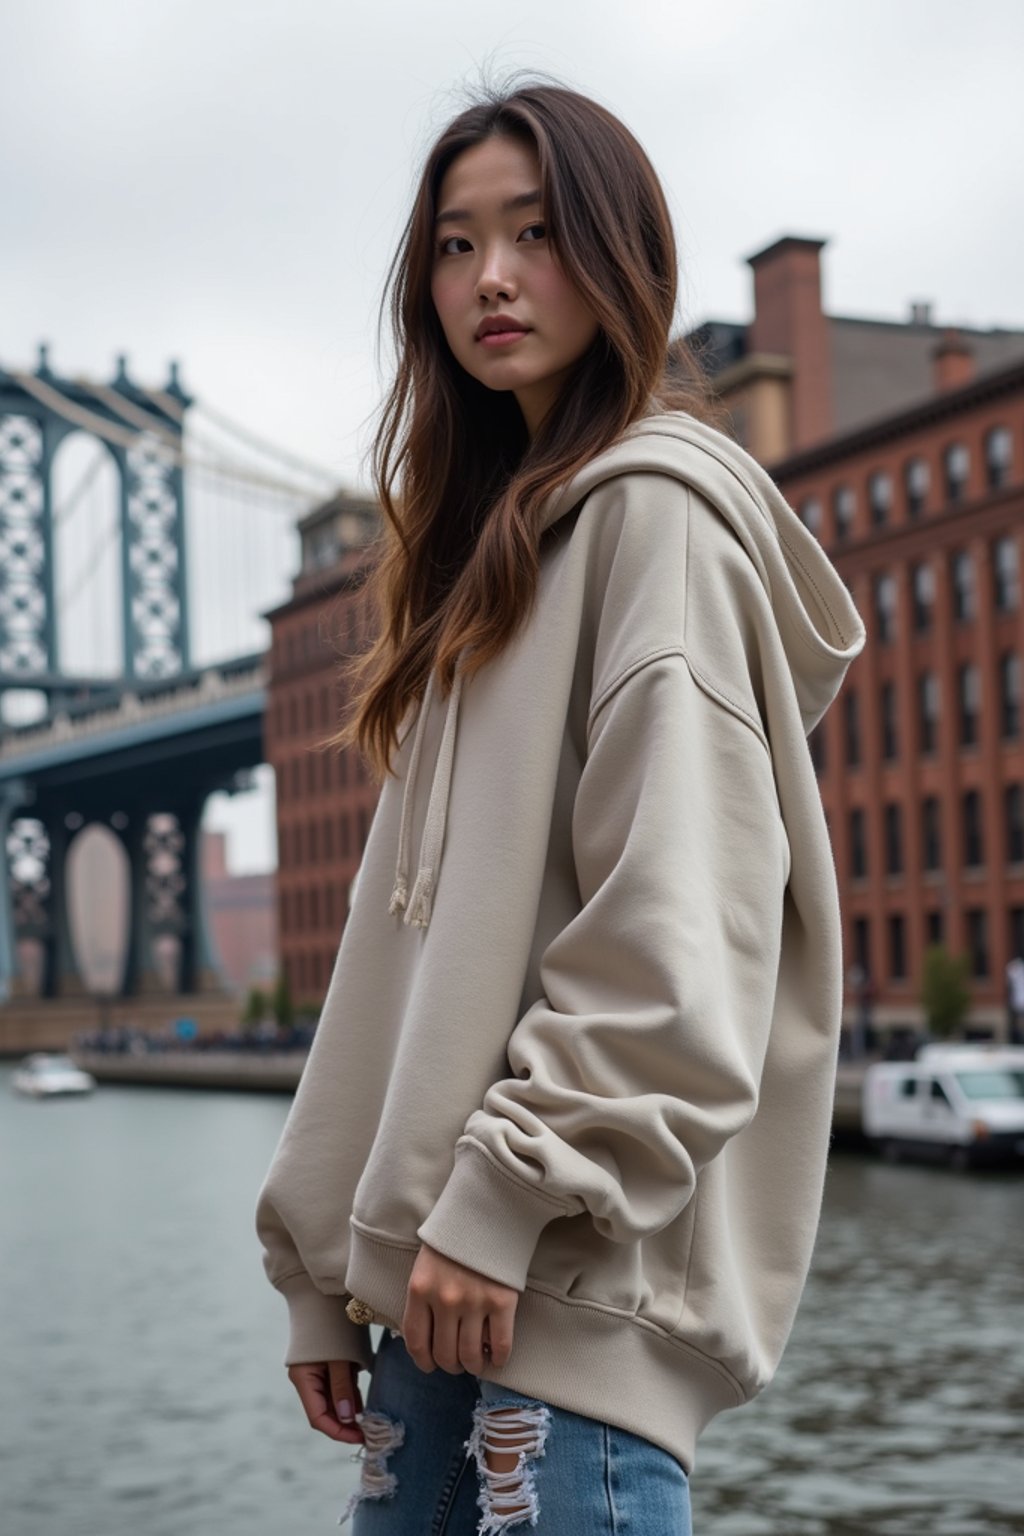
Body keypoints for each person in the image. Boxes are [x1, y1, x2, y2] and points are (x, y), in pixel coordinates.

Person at [255, 76, 866, 1535]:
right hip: (431, 1313)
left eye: (534, 232)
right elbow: (400, 968)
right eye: (456, 248)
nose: (494, 278)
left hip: (565, 1322)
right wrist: (328, 1266)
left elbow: (677, 931)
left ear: (618, 253)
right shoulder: (482, 574)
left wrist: (502, 1200)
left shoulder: (655, 523)